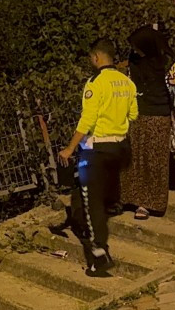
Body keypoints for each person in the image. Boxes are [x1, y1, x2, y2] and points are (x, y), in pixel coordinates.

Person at [58, 39, 137, 277]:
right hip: (120, 148)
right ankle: (106, 208)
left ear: (96, 58)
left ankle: (100, 254)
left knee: (92, 204)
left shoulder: (95, 83)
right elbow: (133, 114)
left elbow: (88, 119)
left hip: (97, 150)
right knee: (95, 198)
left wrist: (70, 148)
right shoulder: (127, 82)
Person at [120, 25, 172, 220]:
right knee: (133, 158)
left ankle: (148, 203)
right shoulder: (133, 61)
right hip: (135, 114)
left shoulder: (166, 62)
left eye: (137, 47)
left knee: (153, 159)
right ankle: (129, 198)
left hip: (158, 115)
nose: (135, 50)